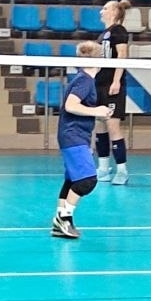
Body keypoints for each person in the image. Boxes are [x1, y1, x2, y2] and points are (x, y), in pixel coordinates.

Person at [52, 41, 115, 239]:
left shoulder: (83, 79)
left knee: (72, 179)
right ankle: (64, 218)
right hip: (73, 135)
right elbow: (71, 105)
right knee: (87, 180)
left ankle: (60, 221)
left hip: (74, 135)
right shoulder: (84, 81)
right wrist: (97, 111)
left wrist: (96, 115)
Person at [94, 0, 131, 186]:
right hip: (99, 85)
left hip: (112, 85)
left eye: (105, 8)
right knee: (99, 125)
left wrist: (116, 80)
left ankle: (122, 170)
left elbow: (122, 55)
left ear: (115, 12)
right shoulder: (103, 34)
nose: (101, 11)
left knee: (113, 126)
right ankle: (103, 168)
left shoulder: (119, 31)